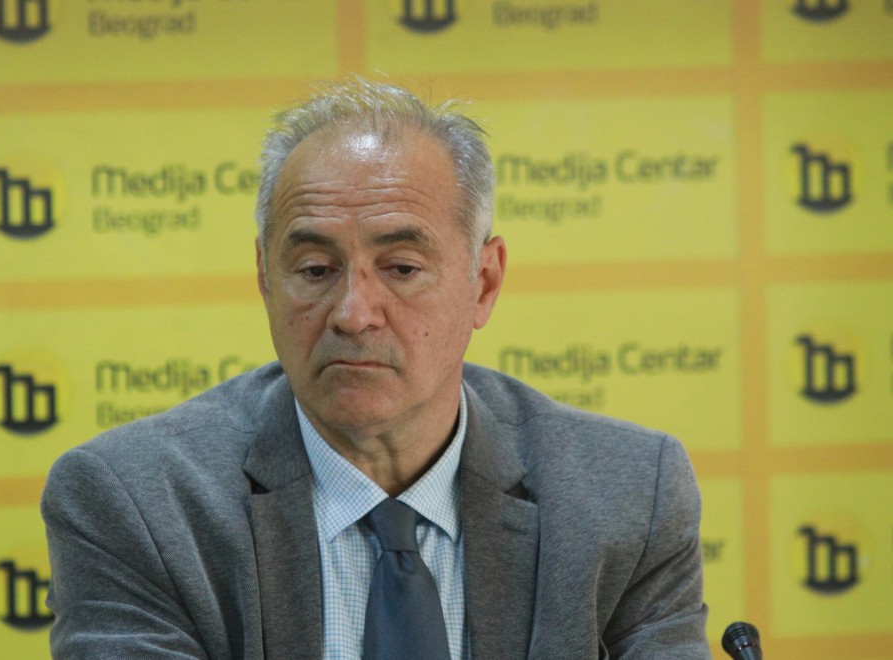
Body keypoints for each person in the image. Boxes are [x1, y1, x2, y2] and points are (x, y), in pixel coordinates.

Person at [42, 79, 711, 659]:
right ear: (266, 280)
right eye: (314, 270)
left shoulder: (628, 498)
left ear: (483, 282)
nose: (354, 314)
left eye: (401, 268)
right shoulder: (136, 505)